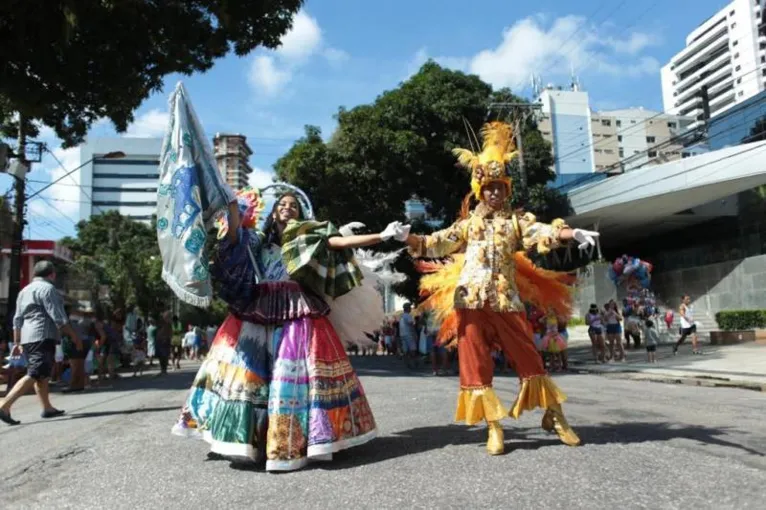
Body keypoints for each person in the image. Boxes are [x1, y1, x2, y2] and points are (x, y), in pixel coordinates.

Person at [169, 187, 409, 471]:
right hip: (259, 306)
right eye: (282, 204)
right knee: (249, 375)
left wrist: (382, 235)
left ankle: (307, 440)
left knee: (295, 374)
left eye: (293, 205)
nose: (287, 207)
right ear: (273, 212)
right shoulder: (257, 240)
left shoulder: (309, 238)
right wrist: (231, 203)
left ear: (301, 212)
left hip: (299, 309)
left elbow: (338, 242)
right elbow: (233, 236)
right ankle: (248, 439)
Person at [403, 121, 599, 455]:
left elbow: (540, 232)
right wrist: (406, 237)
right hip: (470, 300)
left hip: (507, 300)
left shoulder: (515, 222)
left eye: (500, 187)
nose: (495, 192)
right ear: (481, 190)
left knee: (529, 358)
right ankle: (494, 427)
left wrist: (571, 234)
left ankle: (555, 415)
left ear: (507, 189)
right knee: (476, 363)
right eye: (489, 187)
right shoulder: (467, 225)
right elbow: (434, 243)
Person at [0, 260, 83, 425]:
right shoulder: (48, 289)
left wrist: (17, 342)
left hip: (27, 337)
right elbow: (59, 317)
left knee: (42, 373)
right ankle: (4, 405)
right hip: (42, 335)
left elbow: (17, 318)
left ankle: (47, 408)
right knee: (36, 372)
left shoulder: (25, 291)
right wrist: (75, 337)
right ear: (52, 274)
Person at [399, 303, 419, 369]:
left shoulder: (401, 316)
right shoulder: (408, 316)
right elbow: (411, 324)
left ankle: (406, 363)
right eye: (410, 307)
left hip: (402, 334)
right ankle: (414, 362)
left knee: (405, 350)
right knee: (413, 349)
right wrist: (414, 333)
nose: (410, 308)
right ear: (407, 308)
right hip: (409, 334)